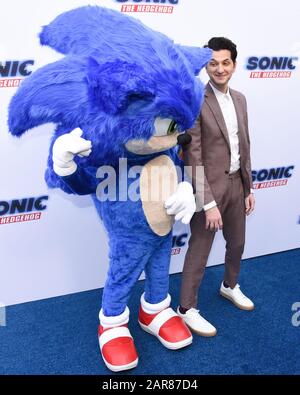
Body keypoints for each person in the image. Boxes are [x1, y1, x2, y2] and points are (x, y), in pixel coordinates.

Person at [177, 37, 255, 336]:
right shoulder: (196, 100)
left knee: (237, 243)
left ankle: (229, 285)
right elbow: (192, 155)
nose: (219, 69)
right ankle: (186, 309)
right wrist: (207, 202)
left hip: (237, 184)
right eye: (213, 63)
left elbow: (244, 145)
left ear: (234, 64)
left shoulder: (241, 99)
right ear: (206, 66)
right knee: (199, 249)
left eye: (225, 62)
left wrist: (248, 188)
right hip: (208, 188)